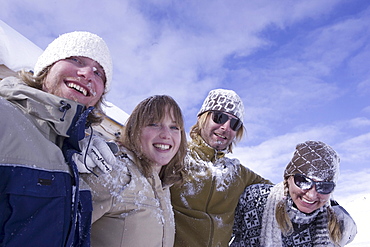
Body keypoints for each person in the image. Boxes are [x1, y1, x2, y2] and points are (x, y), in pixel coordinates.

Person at [0, 31, 114, 246]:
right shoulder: (3, 117)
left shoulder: (78, 158)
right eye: (76, 59)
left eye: (99, 73)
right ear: (46, 68)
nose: (87, 73)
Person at [170, 89, 273, 247]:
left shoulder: (238, 173)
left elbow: (279, 193)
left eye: (234, 123)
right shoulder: (175, 157)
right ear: (202, 118)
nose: (225, 127)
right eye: (220, 117)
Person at [81, 95, 188, 247]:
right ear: (134, 129)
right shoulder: (112, 171)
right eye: (154, 124)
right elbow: (58, 231)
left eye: (174, 127)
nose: (166, 134)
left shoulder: (164, 186)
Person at [231, 140, 357, 247]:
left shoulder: (336, 226)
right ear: (288, 178)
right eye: (303, 181)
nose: (311, 195)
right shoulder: (255, 199)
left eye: (324, 186)